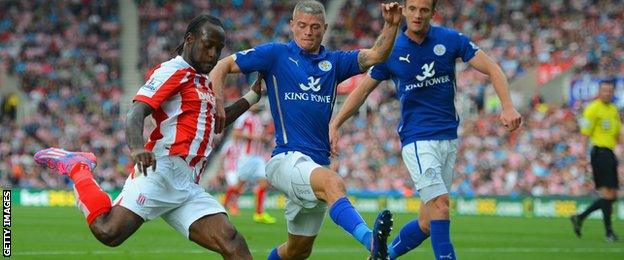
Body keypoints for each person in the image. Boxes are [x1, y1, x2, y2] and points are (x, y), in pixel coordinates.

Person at [33, 14, 265, 259]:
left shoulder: (202, 81)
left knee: (233, 244)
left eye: (218, 49)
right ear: (189, 39)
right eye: (208, 45)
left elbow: (215, 123)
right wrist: (136, 148)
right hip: (161, 171)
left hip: (188, 184)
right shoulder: (173, 71)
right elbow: (136, 110)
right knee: (108, 232)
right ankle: (78, 167)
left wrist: (252, 97)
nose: (212, 54)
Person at [329, 0, 522, 259]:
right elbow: (361, 91)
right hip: (418, 139)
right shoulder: (392, 50)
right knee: (441, 207)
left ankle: (382, 256)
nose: (417, 15)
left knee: (427, 222)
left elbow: (493, 69)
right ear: (405, 11)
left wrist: (507, 106)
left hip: (448, 138)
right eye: (412, 9)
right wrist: (335, 123)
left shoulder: (450, 40)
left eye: (423, 10)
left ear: (433, 12)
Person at [210, 1, 403, 259]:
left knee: (297, 252)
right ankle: (372, 244)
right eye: (302, 25)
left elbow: (377, 55)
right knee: (334, 183)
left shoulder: (334, 63)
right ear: (292, 25)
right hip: (286, 160)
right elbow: (222, 66)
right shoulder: (275, 55)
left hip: (316, 166)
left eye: (314, 27)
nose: (308, 32)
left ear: (324, 28)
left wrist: (391, 24)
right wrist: (218, 103)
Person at [571, 80, 620, 242]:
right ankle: (608, 233)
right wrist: (583, 156)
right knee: (607, 193)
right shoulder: (592, 108)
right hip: (599, 153)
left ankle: (580, 217)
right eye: (604, 90)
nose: (607, 93)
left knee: (612, 195)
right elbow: (585, 134)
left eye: (610, 90)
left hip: (610, 153)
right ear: (599, 92)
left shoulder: (613, 110)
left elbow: (618, 133)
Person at [225, 103, 277, 224]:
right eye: (256, 103)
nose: (258, 105)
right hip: (247, 157)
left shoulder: (258, 119)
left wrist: (264, 138)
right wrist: (254, 137)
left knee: (264, 183)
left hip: (258, 157)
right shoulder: (244, 117)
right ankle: (224, 206)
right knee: (239, 185)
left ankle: (259, 214)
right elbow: (235, 133)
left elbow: (259, 136)